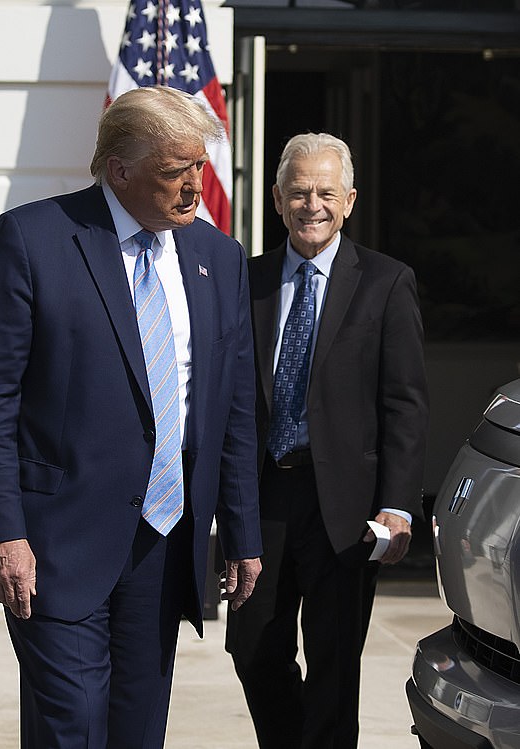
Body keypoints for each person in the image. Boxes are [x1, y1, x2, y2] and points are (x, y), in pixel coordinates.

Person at [0, 85, 262, 749]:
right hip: (53, 544)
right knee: (74, 726)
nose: (193, 187)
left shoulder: (219, 257)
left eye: (200, 167)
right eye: (176, 170)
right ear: (120, 170)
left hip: (166, 543)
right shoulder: (31, 240)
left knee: (135, 730)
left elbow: (231, 406)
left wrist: (241, 529)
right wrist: (1, 532)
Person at [225, 132, 428, 749]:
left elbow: (405, 402)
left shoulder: (387, 283)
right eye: (299, 192)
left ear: (350, 201)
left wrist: (397, 503)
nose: (312, 204)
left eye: (325, 193)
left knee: (335, 665)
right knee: (254, 648)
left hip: (346, 507)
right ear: (279, 199)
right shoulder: (245, 280)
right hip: (261, 499)